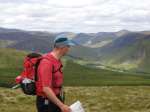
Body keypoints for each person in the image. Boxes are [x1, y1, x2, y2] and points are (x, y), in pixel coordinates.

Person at [36, 35, 76, 112]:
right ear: (61, 47)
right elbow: (46, 88)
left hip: (54, 99)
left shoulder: (56, 60)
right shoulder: (47, 63)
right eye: (68, 46)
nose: (69, 49)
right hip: (46, 103)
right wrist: (61, 105)